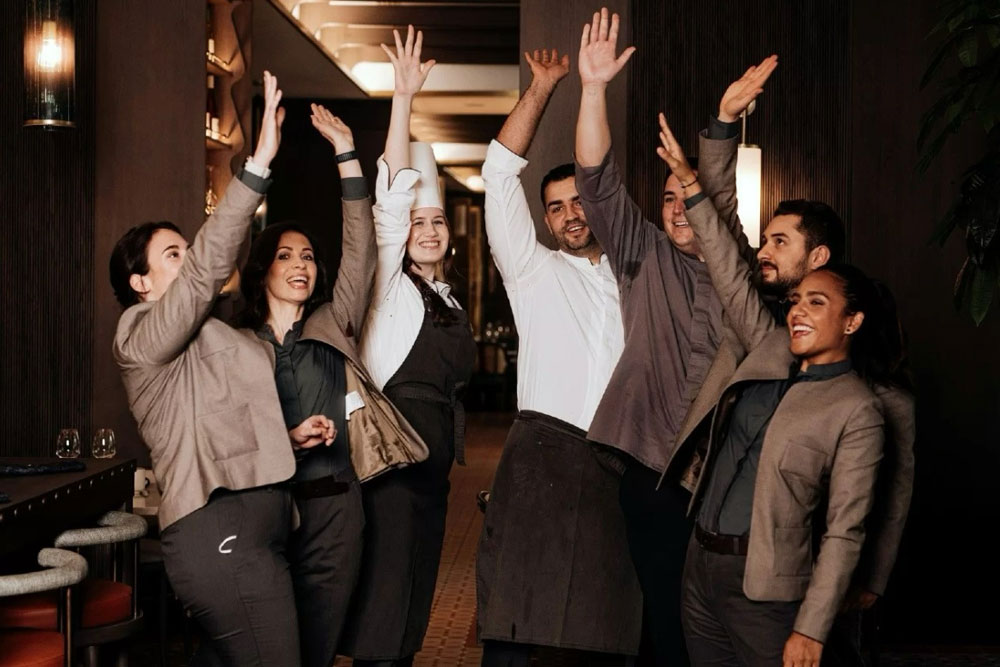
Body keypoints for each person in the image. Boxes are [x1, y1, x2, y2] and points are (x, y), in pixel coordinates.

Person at [678, 75, 916, 665]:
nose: (762, 251)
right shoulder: (771, 337)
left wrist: (865, 588)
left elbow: (875, 511)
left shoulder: (869, 399)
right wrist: (712, 146)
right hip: (703, 565)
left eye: (778, 241)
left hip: (776, 583)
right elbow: (724, 248)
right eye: (797, 303)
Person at [573, 12, 780, 666]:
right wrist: (592, 89)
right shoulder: (642, 254)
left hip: (717, 475)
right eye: (664, 196)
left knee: (701, 621)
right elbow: (597, 182)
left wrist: (722, 121)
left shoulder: (734, 264)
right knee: (667, 615)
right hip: (651, 468)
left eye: (681, 194)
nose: (673, 205)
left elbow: (713, 196)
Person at [110, 72, 306, 665]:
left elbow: (219, 420)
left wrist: (286, 435)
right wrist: (257, 167)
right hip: (220, 536)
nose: (192, 260)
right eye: (175, 254)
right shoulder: (140, 336)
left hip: (257, 530)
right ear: (142, 285)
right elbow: (205, 274)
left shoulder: (210, 332)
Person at [234, 106, 425, 667]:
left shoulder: (331, 322)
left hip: (338, 512)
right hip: (267, 510)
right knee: (267, 644)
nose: (301, 265)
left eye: (309, 257)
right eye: (287, 256)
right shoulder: (238, 344)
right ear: (264, 268)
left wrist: (347, 154)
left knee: (317, 646)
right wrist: (285, 440)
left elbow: (362, 247)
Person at [474, 41, 641, 667]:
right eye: (556, 207)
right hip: (542, 459)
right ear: (543, 222)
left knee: (605, 634)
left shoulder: (639, 273)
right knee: (520, 627)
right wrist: (543, 87)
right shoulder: (531, 270)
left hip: (621, 463)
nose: (571, 215)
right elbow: (497, 174)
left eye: (580, 201)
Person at [340, 26, 477, 667]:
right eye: (418, 223)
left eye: (437, 221)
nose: (425, 228)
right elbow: (389, 202)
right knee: (385, 608)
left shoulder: (449, 298)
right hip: (392, 467)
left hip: (435, 468)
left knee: (418, 602)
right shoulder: (390, 292)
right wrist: (402, 101)